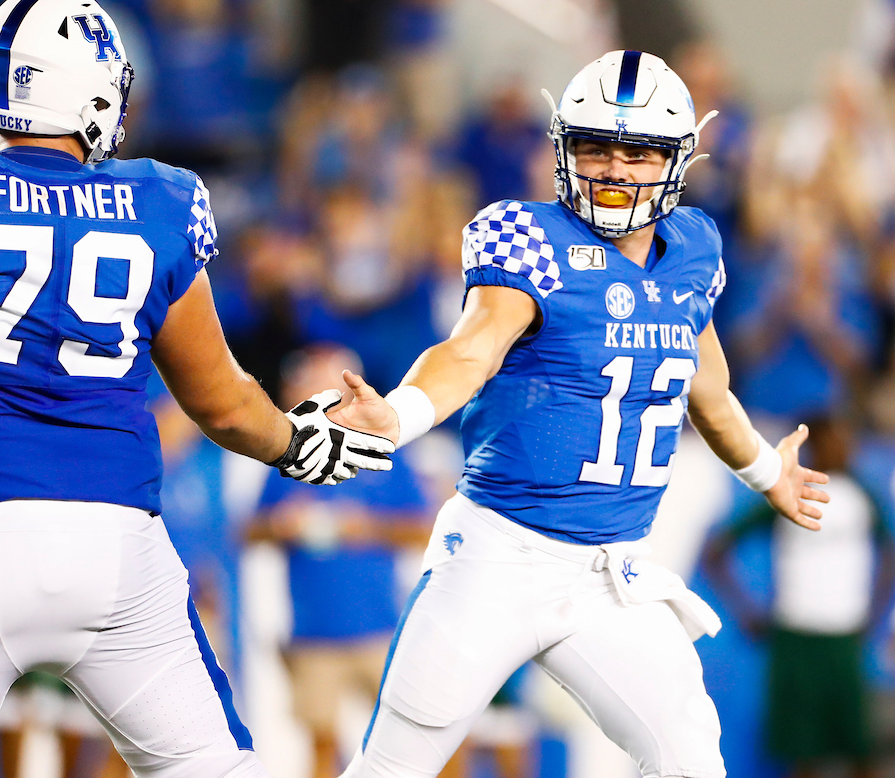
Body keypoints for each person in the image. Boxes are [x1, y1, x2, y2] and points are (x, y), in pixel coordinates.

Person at [0, 0, 394, 778]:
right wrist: (298, 442)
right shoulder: (158, 200)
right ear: (91, 92)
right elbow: (223, 405)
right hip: (119, 550)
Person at [316, 50, 831, 778]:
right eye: (595, 147)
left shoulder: (693, 249)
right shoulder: (529, 238)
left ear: (677, 161)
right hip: (497, 557)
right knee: (391, 768)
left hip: (609, 576)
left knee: (691, 760)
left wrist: (763, 470)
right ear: (563, 150)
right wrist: (399, 415)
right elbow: (472, 350)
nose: (615, 169)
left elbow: (707, 390)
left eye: (638, 151)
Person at [246, 345, 433, 778]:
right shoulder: (285, 457)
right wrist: (280, 526)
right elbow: (249, 531)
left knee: (411, 741)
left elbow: (421, 528)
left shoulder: (386, 452)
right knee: (323, 745)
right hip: (313, 633)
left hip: (378, 627)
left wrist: (365, 528)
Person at [702, 417, 895, 778]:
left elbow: (888, 554)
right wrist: (747, 610)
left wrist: (876, 612)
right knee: (801, 753)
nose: (842, 448)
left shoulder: (863, 495)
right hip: (795, 639)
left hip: (845, 637)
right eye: (832, 439)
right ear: (814, 446)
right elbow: (716, 551)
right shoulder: (789, 494)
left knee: (859, 748)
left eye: (846, 439)